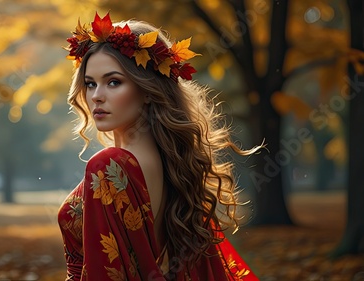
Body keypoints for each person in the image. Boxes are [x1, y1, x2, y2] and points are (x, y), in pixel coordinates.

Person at [57, 11, 260, 281]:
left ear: (148, 89)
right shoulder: (168, 163)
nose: (96, 96)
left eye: (113, 82)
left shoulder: (110, 165)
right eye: (90, 84)